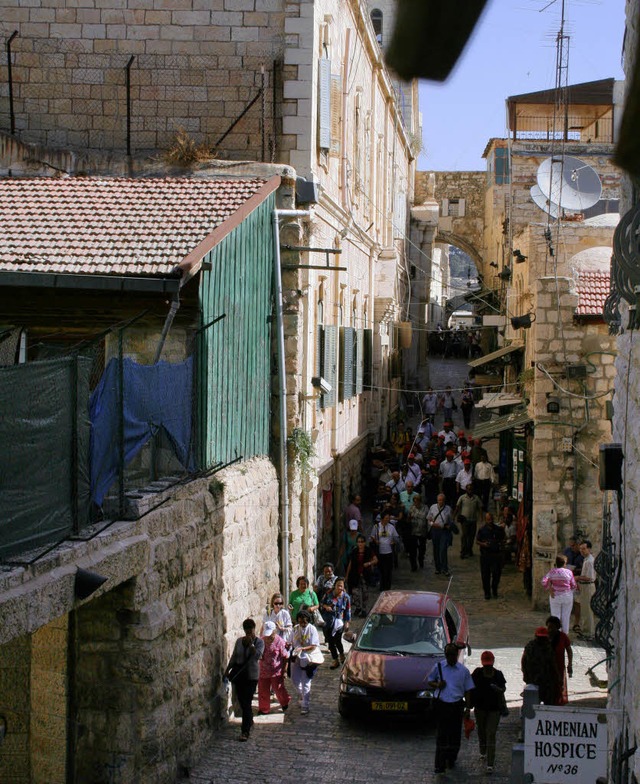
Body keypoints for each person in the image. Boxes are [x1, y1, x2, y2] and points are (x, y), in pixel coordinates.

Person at [427, 643, 474, 776]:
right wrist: (437, 684)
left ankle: (451, 759)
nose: (450, 657)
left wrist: (468, 708)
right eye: (448, 655)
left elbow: (468, 690)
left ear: (456, 655)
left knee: (454, 735)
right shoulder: (439, 667)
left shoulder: (463, 671)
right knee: (442, 735)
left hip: (456, 705)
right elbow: (429, 680)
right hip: (442, 705)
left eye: (452, 655)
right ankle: (439, 765)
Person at [224, 618, 265, 741]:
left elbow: (258, 656)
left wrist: (251, 644)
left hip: (251, 676)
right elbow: (235, 657)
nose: (248, 634)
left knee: (247, 702)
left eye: (250, 631)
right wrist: (228, 669)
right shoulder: (238, 642)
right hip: (240, 675)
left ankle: (245, 731)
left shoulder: (259, 642)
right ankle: (249, 719)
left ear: (254, 630)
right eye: (246, 631)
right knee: (242, 701)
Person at [471, 651, 507, 774]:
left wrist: (498, 690)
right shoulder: (477, 673)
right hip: (480, 708)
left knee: (491, 734)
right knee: (481, 731)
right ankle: (483, 750)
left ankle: (490, 763)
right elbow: (470, 688)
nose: (487, 667)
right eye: (486, 665)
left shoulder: (498, 675)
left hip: (494, 709)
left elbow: (503, 688)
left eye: (489, 665)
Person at [290, 610, 321, 715]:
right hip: (298, 658)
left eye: (304, 622)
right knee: (294, 679)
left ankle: (305, 705)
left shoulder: (312, 629)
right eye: (300, 622)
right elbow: (293, 641)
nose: (302, 624)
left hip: (308, 659)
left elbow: (314, 645)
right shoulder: (296, 629)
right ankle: (302, 695)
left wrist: (303, 648)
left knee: (306, 682)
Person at [257, 621, 290, 715]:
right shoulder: (261, 641)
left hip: (276, 671)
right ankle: (264, 709)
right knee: (263, 690)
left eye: (270, 634)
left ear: (274, 631)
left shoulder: (280, 641)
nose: (268, 637)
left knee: (279, 689)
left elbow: (285, 657)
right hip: (263, 671)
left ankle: (284, 702)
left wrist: (284, 671)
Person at [521, 626, 558, 705]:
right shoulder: (531, 647)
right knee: (535, 705)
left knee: (539, 705)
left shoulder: (547, 647)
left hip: (545, 681)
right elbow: (524, 661)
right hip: (536, 680)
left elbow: (523, 661)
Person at [541, 555, 577, 634]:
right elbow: (574, 585)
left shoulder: (552, 572)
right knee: (566, 616)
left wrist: (549, 588)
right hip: (567, 595)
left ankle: (555, 633)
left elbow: (544, 581)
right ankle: (565, 635)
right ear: (564, 563)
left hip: (555, 595)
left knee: (555, 615)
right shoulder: (569, 572)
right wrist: (571, 591)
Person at [321, 577, 351, 668]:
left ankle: (341, 654)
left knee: (337, 640)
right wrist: (326, 607)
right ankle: (335, 659)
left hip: (339, 622)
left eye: (341, 586)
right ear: (335, 585)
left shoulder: (346, 597)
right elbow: (321, 603)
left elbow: (348, 610)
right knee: (330, 641)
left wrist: (347, 622)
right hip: (328, 621)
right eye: (338, 585)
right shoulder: (328, 593)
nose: (339, 588)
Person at [345, 534, 378, 617]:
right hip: (355, 575)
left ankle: (364, 610)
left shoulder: (368, 550)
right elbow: (350, 563)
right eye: (359, 542)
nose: (360, 544)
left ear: (364, 543)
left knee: (365, 593)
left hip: (365, 575)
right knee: (355, 592)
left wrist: (369, 563)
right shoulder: (354, 551)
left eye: (362, 542)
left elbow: (376, 560)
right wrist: (347, 575)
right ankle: (358, 607)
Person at [476, 512, 505, 599]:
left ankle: (494, 589)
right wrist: (483, 544)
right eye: (488, 519)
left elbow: (503, 538)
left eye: (491, 519)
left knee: (496, 574)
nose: (490, 521)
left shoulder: (498, 529)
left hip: (495, 554)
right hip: (485, 554)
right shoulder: (482, 530)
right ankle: (487, 592)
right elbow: (477, 541)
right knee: (485, 575)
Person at [369, 511, 400, 590]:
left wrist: (394, 541)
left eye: (388, 518)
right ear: (382, 519)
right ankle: (382, 587)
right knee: (381, 570)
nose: (387, 520)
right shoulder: (376, 527)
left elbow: (396, 537)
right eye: (386, 518)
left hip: (389, 552)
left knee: (388, 571)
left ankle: (387, 587)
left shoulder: (391, 527)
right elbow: (371, 537)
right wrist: (375, 541)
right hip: (380, 552)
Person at [546, 615, 573, 705]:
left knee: (558, 687)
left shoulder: (563, 637)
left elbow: (569, 650)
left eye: (552, 627)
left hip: (559, 667)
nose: (550, 630)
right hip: (546, 667)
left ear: (557, 627)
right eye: (549, 627)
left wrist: (570, 664)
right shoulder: (544, 637)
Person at [427, 493, 454, 576]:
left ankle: (445, 568)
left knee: (443, 550)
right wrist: (432, 524)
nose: (440, 501)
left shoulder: (448, 509)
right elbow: (429, 518)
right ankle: (437, 568)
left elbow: (450, 521)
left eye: (442, 500)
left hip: (444, 531)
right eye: (439, 500)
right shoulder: (433, 507)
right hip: (435, 531)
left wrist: (448, 526)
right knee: (436, 550)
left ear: (444, 501)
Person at [455, 483, 483, 559]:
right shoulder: (462, 497)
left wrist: (481, 518)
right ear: (466, 489)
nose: (470, 490)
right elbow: (457, 507)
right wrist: (454, 516)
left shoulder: (476, 498)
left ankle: (469, 549)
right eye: (468, 489)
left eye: (471, 489)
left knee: (471, 536)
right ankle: (463, 550)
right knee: (464, 536)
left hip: (473, 520)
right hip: (464, 520)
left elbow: (480, 508)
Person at [575, 540, 596, 639]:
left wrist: (578, 578)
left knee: (588, 610)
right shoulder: (586, 560)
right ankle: (585, 630)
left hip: (588, 586)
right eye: (580, 549)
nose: (582, 551)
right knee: (584, 609)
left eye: (584, 549)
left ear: (589, 549)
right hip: (584, 586)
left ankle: (589, 633)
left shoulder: (590, 561)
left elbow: (590, 577)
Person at [407, 493, 429, 572]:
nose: (416, 503)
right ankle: (413, 566)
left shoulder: (425, 508)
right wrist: (410, 517)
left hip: (422, 532)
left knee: (422, 549)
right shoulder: (412, 508)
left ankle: (421, 559)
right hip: (413, 532)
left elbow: (428, 518)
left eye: (417, 501)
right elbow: (408, 519)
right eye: (415, 501)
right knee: (412, 550)